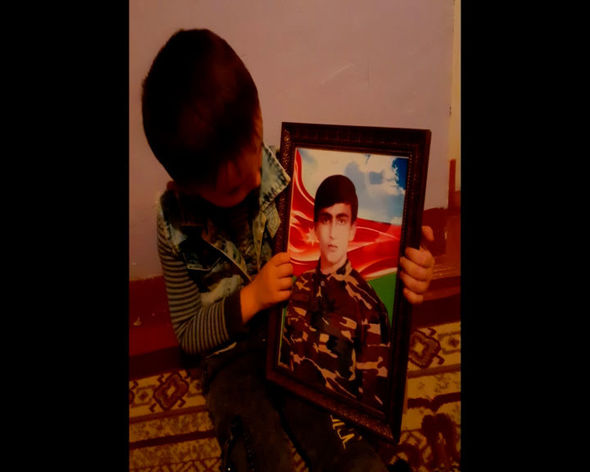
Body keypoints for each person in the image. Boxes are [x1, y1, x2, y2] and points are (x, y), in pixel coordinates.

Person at [142, 28, 435, 472]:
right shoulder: (172, 224)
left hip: (298, 332)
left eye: (255, 152)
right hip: (231, 358)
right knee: (255, 447)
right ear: (187, 186)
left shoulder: (293, 170)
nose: (256, 180)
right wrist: (251, 298)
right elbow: (189, 334)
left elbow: (345, 268)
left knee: (342, 434)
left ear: (258, 114)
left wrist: (406, 266)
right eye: (235, 188)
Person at [282, 174, 391, 411]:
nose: (332, 232)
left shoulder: (370, 308)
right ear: (315, 228)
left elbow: (373, 403)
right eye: (325, 219)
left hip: (338, 422)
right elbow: (285, 358)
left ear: (352, 230)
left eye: (341, 220)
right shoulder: (299, 287)